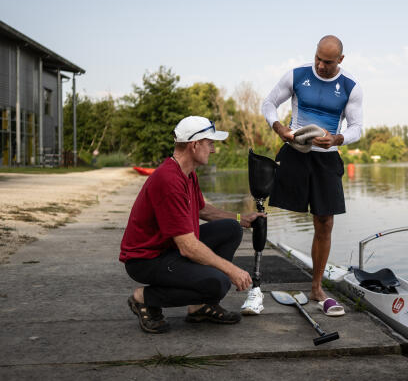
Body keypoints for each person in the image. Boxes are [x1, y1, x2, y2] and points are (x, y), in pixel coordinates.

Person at [119, 116, 263, 333]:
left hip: (168, 248)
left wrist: (239, 218)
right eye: (210, 143)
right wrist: (231, 270)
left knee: (230, 229)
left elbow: (202, 210)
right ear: (195, 145)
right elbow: (187, 246)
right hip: (146, 260)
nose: (213, 150)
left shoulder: (187, 174)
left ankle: (199, 307)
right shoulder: (169, 179)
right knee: (219, 283)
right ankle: (144, 298)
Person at [261, 35, 363, 302]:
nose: (320, 65)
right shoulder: (296, 75)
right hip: (296, 152)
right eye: (318, 58)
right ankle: (255, 278)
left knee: (325, 222)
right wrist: (279, 127)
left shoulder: (350, 86)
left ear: (340, 60)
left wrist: (337, 139)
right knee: (262, 204)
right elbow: (269, 103)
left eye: (327, 62)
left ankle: (316, 286)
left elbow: (356, 128)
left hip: (326, 159)